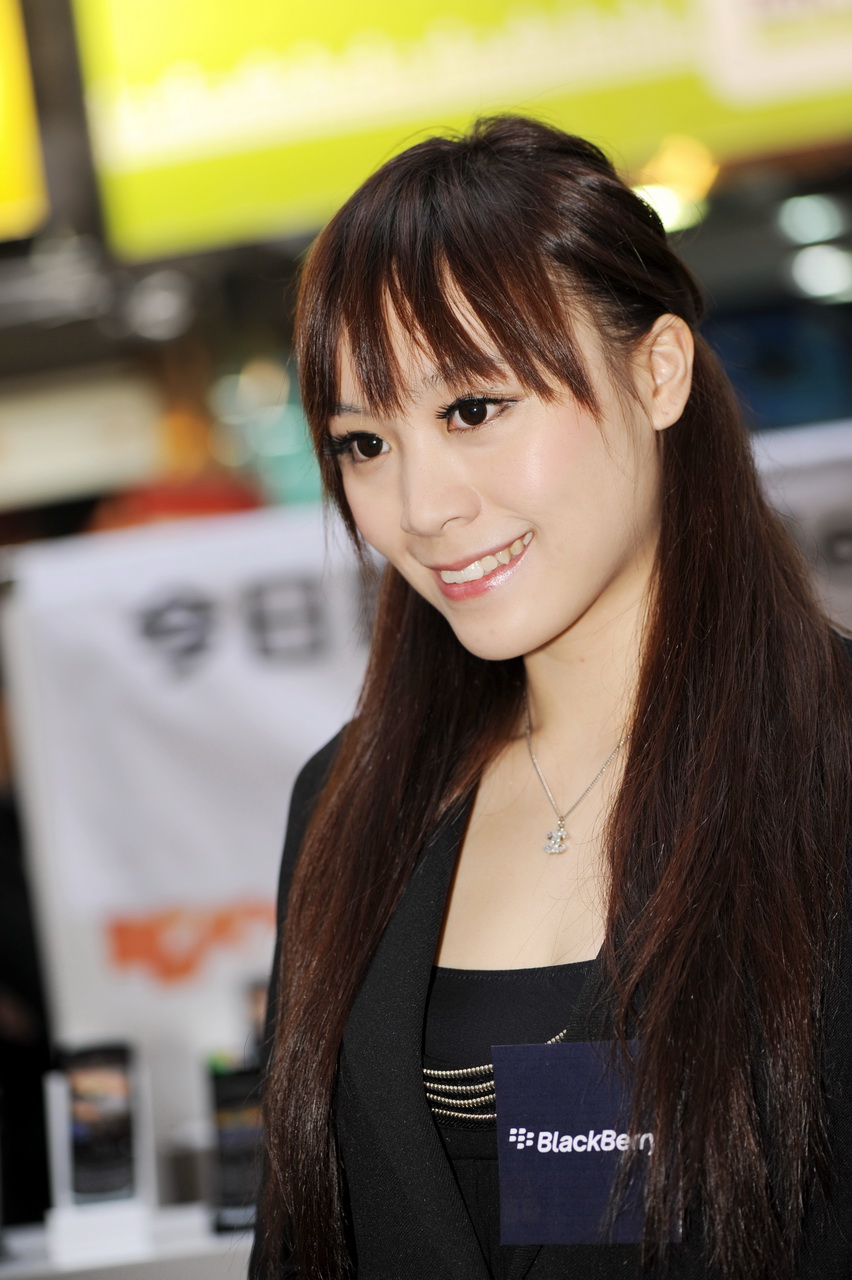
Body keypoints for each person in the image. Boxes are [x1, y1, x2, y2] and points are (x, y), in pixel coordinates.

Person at [251, 116, 852, 1280]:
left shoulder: (831, 760)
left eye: (473, 409)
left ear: (658, 371)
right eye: (364, 442)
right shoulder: (348, 797)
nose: (421, 507)